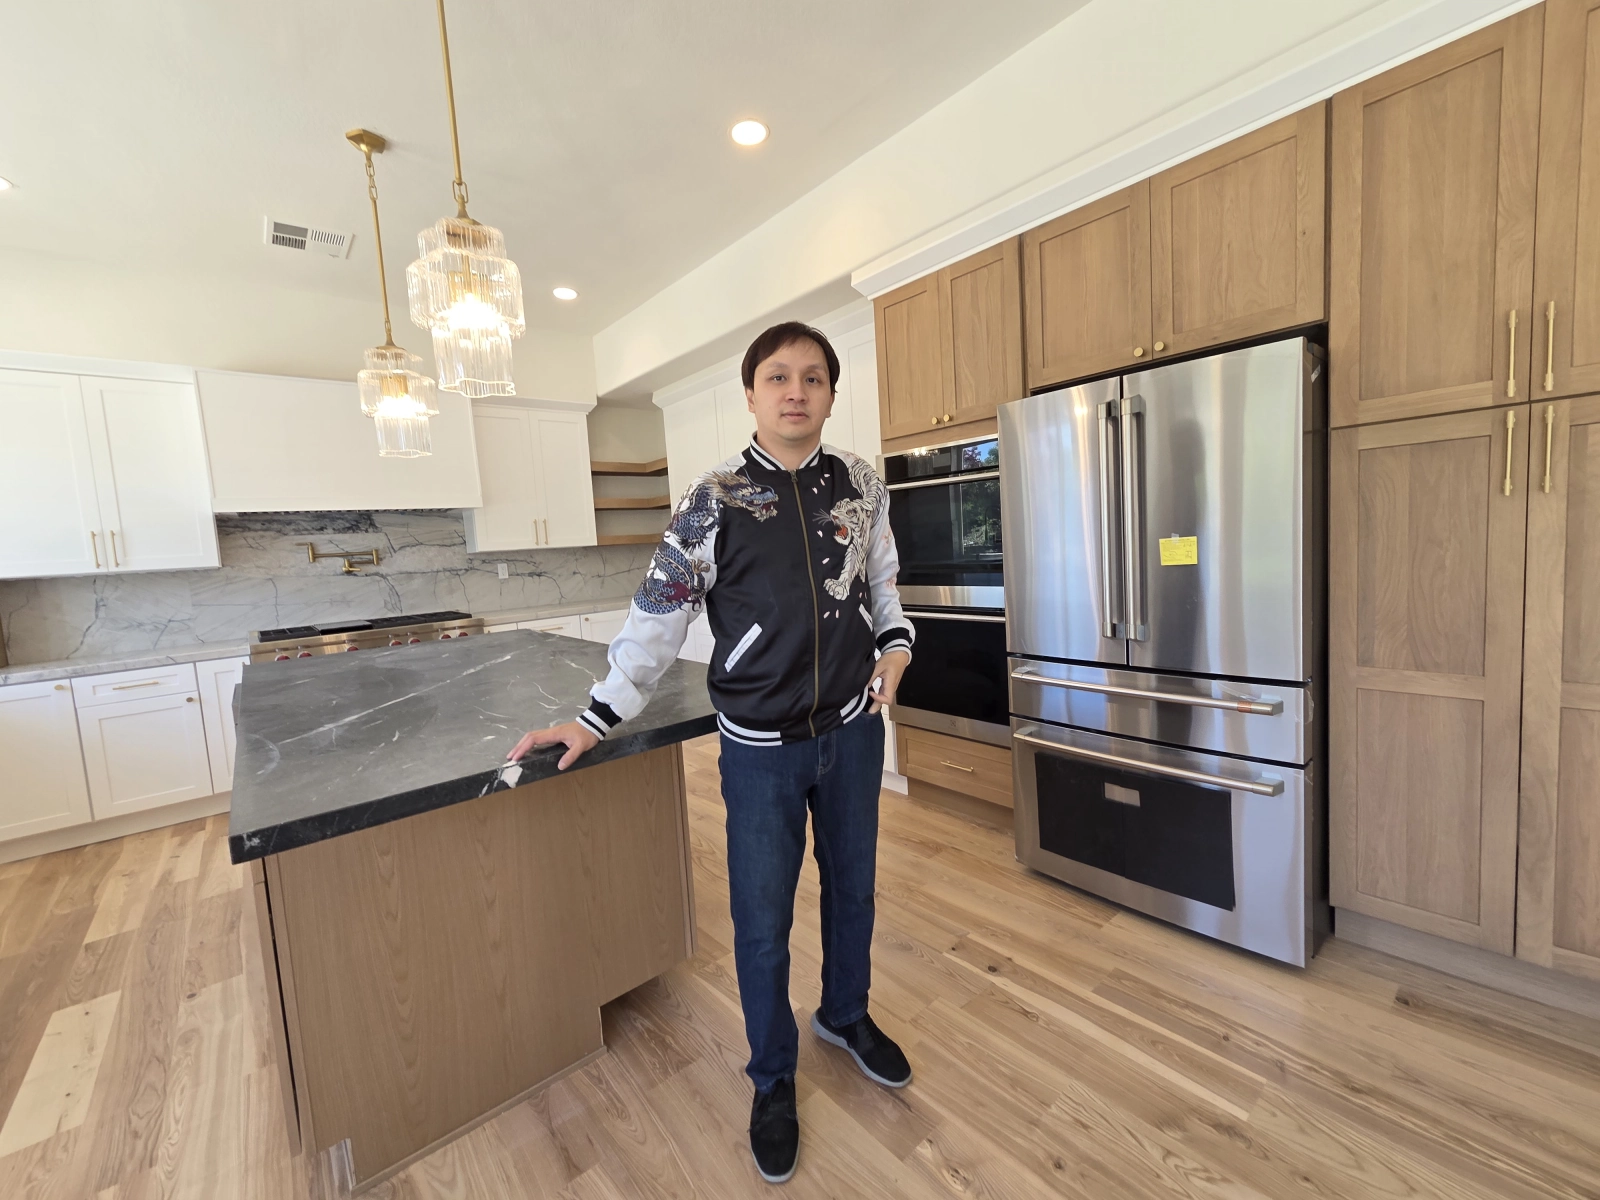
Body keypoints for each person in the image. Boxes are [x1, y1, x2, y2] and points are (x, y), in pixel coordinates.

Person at [509, 320, 915, 1184]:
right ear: (753, 394)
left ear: (831, 394)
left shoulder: (864, 485)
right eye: (778, 376)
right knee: (763, 926)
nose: (796, 389)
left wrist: (897, 647)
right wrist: (593, 719)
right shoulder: (713, 501)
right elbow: (654, 625)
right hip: (760, 755)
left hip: (849, 733)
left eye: (813, 376)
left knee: (856, 894)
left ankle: (844, 1014)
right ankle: (772, 1080)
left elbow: (883, 588)